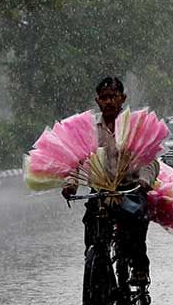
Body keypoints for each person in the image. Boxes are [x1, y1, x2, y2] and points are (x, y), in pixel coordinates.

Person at [62, 76, 159, 286]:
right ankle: (98, 273)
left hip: (129, 190)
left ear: (122, 98)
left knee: (135, 225)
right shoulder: (88, 128)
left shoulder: (134, 126)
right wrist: (71, 184)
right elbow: (76, 159)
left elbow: (149, 159)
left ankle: (139, 266)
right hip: (100, 193)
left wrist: (144, 180)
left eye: (113, 97)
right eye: (104, 98)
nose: (108, 102)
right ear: (97, 101)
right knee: (93, 230)